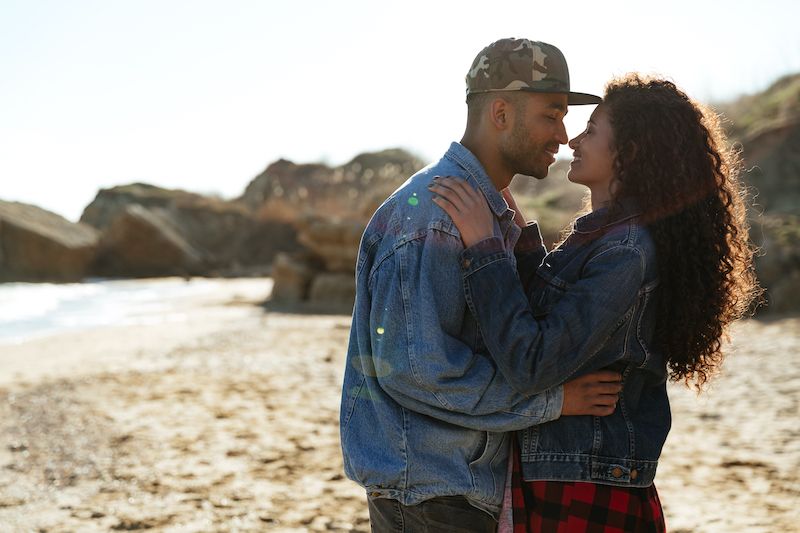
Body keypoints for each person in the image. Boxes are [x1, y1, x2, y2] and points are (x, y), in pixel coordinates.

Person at [430, 74, 762, 532]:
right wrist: (518, 235)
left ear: (630, 153)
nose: (573, 141)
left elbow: (532, 361)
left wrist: (485, 246)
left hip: (584, 482)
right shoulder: (604, 238)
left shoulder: (624, 252)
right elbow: (551, 314)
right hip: (574, 471)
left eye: (591, 131)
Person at [339, 38, 620, 532]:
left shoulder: (483, 212)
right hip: (430, 492)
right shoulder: (434, 217)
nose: (563, 135)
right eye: (550, 115)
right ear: (501, 112)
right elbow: (415, 370)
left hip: (457, 487)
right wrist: (553, 403)